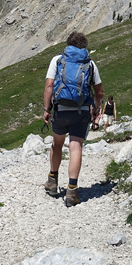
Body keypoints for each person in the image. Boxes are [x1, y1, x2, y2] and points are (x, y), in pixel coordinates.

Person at [42, 31, 103, 207]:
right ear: (84, 46)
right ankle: (72, 192)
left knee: (57, 143)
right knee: (75, 148)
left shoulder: (58, 60)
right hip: (81, 111)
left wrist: (47, 109)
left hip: (61, 110)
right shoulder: (90, 64)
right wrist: (96, 109)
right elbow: (99, 92)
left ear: (68, 45)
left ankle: (52, 182)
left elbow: (49, 86)